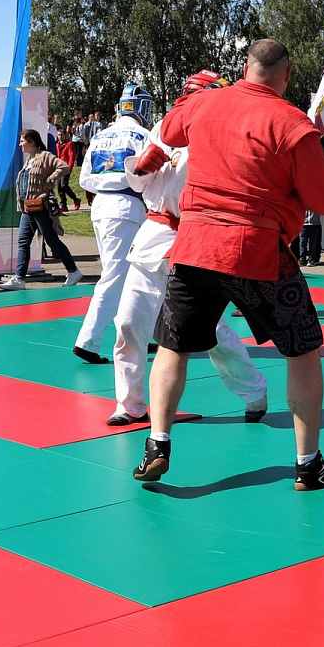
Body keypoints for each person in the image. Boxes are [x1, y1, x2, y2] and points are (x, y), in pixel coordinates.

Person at [130, 38, 324, 490]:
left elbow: (166, 133)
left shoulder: (203, 103)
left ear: (245, 68)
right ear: (286, 75)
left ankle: (157, 443)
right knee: (304, 351)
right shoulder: (293, 125)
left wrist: (163, 144)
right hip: (258, 251)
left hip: (194, 248)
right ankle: (308, 463)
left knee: (173, 347)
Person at [109, 69, 268, 426]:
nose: (191, 100)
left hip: (198, 239)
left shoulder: (227, 131)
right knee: (128, 324)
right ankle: (130, 404)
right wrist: (142, 165)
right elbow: (137, 182)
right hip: (153, 235)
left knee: (212, 334)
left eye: (199, 94)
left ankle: (253, 390)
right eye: (189, 94)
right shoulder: (165, 125)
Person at [71, 84, 155, 365]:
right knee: (117, 276)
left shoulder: (99, 135)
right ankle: (87, 340)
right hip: (127, 206)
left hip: (101, 207)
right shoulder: (144, 135)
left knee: (126, 273)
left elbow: (84, 179)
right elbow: (150, 175)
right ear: (142, 108)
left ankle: (134, 335)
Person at [0, 129, 84, 290]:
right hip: (27, 208)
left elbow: (64, 167)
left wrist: (50, 179)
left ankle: (73, 271)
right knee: (23, 242)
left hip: (40, 206)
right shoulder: (29, 159)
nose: (20, 144)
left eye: (22, 141)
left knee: (52, 240)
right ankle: (19, 278)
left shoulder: (45, 156)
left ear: (32, 142)